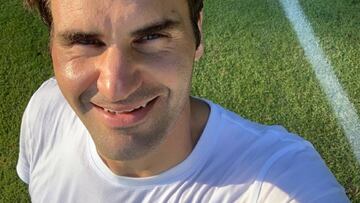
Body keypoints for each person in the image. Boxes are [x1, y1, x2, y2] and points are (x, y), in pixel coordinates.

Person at [17, 0, 350, 202]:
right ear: (52, 48)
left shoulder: (278, 180)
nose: (115, 86)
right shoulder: (46, 109)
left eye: (150, 37)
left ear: (198, 35)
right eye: (85, 42)